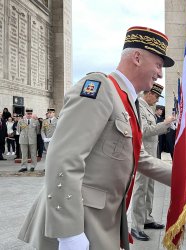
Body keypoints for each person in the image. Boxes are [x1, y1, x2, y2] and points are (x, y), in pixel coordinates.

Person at [18, 26, 175, 250]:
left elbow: (138, 157)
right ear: (138, 58)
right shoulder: (99, 88)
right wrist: (69, 234)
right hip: (79, 222)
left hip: (101, 221)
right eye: (158, 65)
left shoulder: (128, 102)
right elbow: (64, 158)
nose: (160, 73)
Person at [131, 83, 175, 241]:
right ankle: (136, 225)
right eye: (155, 96)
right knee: (140, 189)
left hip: (151, 155)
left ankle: (147, 218)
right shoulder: (139, 107)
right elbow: (145, 131)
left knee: (149, 188)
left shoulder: (148, 108)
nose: (156, 100)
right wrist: (165, 123)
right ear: (147, 93)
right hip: (143, 157)